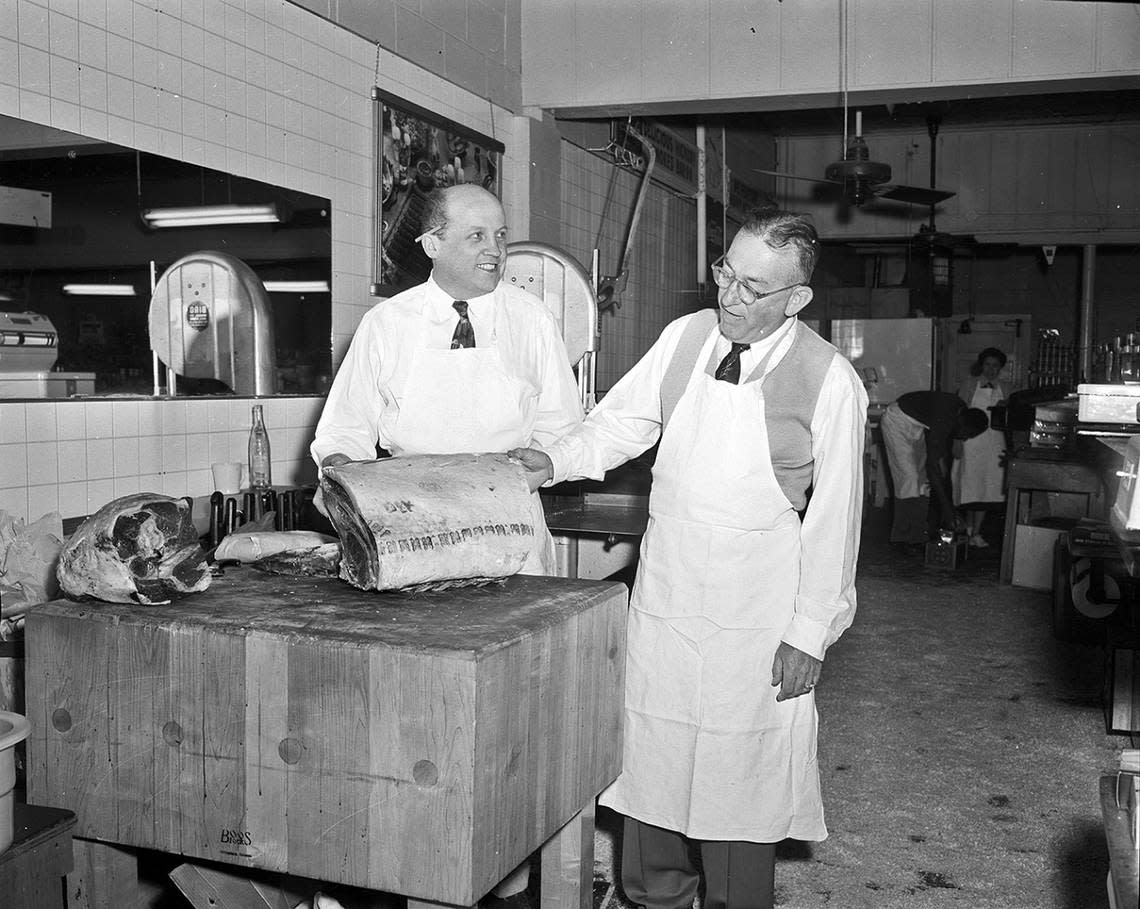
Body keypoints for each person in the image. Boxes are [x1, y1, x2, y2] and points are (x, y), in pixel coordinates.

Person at [509, 209, 868, 909]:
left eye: (754, 288)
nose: (729, 296)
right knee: (656, 760)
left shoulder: (829, 379)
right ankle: (651, 895)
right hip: (668, 599)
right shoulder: (686, 338)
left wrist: (809, 632)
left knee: (740, 776)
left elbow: (835, 521)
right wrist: (551, 459)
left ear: (797, 299)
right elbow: (619, 425)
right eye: (725, 272)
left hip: (756, 614)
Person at [311, 183, 583, 908]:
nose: (496, 249)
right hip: (412, 540)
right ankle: (411, 865)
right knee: (419, 714)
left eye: (500, 235)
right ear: (432, 244)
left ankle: (511, 874)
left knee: (517, 716)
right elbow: (341, 432)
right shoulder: (388, 325)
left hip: (510, 535)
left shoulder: (530, 320)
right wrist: (346, 478)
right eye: (477, 236)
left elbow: (563, 426)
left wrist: (542, 458)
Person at [879, 390, 989, 549]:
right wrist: (947, 510)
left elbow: (941, 469)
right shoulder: (945, 421)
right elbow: (933, 466)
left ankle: (917, 536)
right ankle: (901, 537)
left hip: (915, 426)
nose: (964, 439)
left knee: (923, 483)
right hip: (896, 421)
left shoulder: (959, 414)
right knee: (908, 478)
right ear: (959, 424)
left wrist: (950, 508)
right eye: (965, 434)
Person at [951, 348, 1008, 548]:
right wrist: (957, 442)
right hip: (971, 442)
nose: (991, 369)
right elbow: (958, 416)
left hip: (994, 444)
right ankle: (966, 530)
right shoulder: (969, 384)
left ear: (1000, 368)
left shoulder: (1005, 388)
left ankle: (977, 532)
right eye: (987, 365)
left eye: (995, 366)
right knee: (969, 485)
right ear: (981, 365)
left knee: (986, 488)